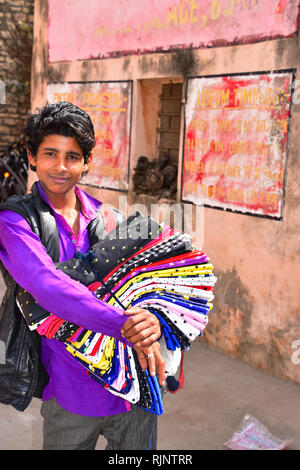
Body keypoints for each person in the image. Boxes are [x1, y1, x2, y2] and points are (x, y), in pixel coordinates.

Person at [0, 102, 166, 450]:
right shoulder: (16, 221)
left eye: (73, 157)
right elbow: (48, 287)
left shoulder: (111, 218)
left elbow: (147, 285)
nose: (61, 167)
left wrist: (154, 322)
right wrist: (126, 325)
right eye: (50, 154)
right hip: (70, 397)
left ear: (87, 162)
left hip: (135, 391)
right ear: (32, 157)